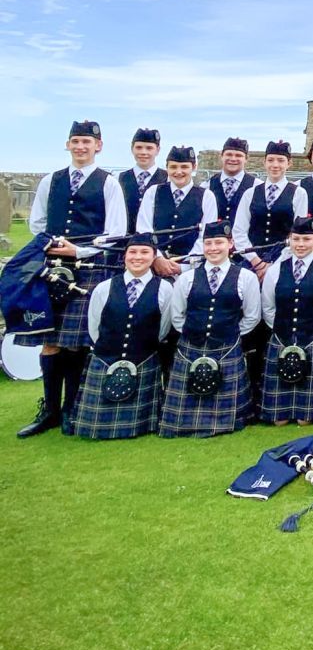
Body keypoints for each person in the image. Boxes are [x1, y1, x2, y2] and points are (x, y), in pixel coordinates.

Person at [17, 120, 128, 439]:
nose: (81, 147)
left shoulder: (109, 183)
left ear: (99, 146)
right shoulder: (50, 180)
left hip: (87, 267)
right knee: (50, 341)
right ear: (68, 144)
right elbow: (37, 222)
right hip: (51, 267)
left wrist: (78, 250)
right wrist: (50, 244)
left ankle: (71, 409)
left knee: (77, 344)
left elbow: (116, 232)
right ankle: (50, 409)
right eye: (76, 141)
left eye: (87, 142)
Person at [159, 220, 261, 438]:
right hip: (191, 347)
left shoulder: (246, 277)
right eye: (208, 243)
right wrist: (193, 333)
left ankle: (225, 422)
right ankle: (184, 422)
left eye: (219, 243)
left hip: (227, 347)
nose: (213, 248)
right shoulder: (186, 278)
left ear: (230, 244)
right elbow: (177, 316)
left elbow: (252, 316)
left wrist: (231, 334)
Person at [73, 233, 173, 440]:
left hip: (144, 359)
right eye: (132, 252)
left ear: (154, 257)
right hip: (106, 358)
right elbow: (94, 327)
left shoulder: (165, 289)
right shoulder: (103, 288)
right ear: (125, 256)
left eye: (145, 252)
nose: (138, 257)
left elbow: (163, 328)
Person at [259, 216, 313, 426]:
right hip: (282, 339)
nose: (300, 244)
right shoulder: (276, 270)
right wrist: (282, 330)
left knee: (305, 419)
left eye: (306, 239)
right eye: (296, 239)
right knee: (278, 420)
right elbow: (268, 307)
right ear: (289, 239)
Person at [233, 140, 309, 282]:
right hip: (250, 263)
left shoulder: (299, 193)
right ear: (264, 162)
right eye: (271, 160)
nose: (275, 165)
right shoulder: (250, 193)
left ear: (289, 163)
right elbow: (239, 231)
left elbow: (298, 234)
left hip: (284, 263)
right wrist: (256, 261)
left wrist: (274, 266)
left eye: (281, 160)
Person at [137, 145, 217, 278]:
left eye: (184, 167)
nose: (178, 172)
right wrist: (157, 258)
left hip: (191, 269)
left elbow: (206, 236)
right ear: (166, 167)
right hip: (153, 267)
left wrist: (184, 266)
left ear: (194, 167)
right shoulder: (153, 192)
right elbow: (144, 228)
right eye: (173, 167)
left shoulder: (207, 196)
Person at [119, 128, 167, 234]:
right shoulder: (121, 178)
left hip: (155, 243)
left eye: (149, 148)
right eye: (139, 147)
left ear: (158, 150)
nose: (143, 152)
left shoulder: (167, 178)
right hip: (123, 244)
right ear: (132, 149)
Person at [207, 137, 259, 226]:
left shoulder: (257, 187)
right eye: (229, 154)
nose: (233, 159)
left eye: (239, 155)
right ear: (221, 156)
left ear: (246, 159)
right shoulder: (206, 186)